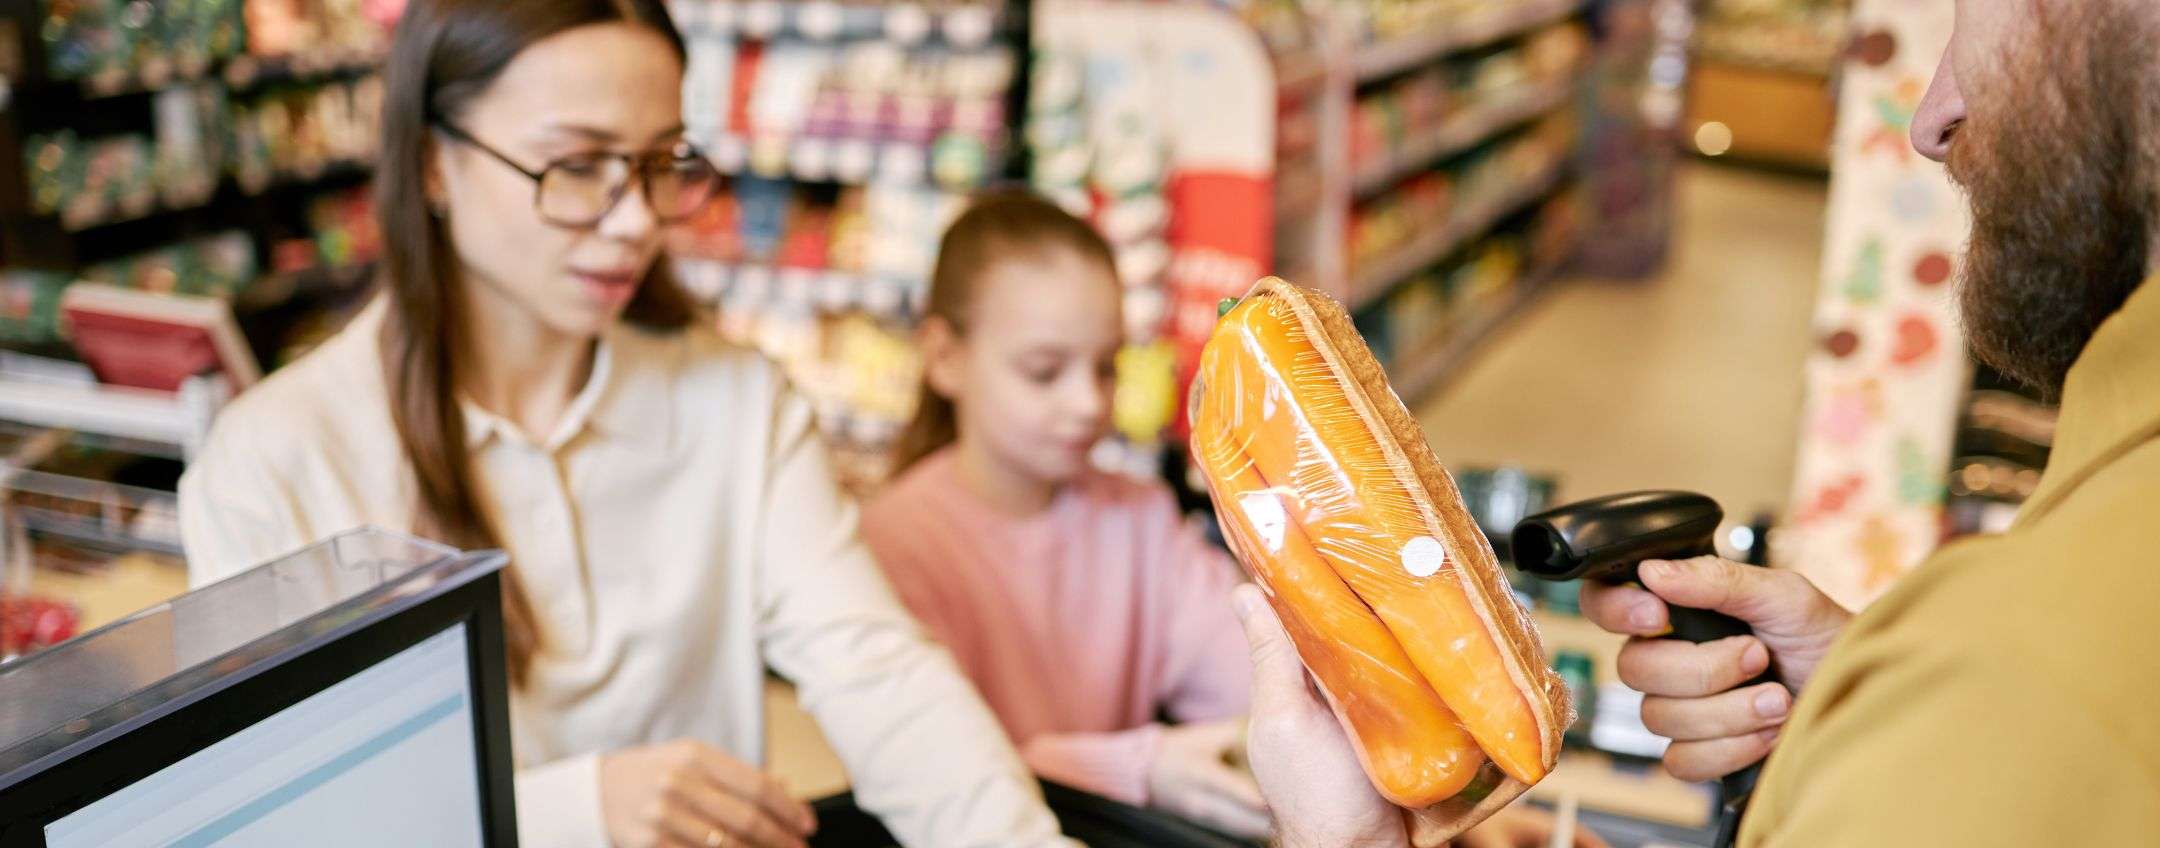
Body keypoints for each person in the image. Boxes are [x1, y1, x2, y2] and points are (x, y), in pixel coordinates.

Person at [1238, 0, 2160, 844]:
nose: (1930, 121)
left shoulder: (2031, 660)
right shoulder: (2070, 590)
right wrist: (1859, 699)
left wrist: (1346, 841)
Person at [176, 3, 1079, 848]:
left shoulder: (739, 403)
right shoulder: (274, 463)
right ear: (431, 163)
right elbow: (285, 826)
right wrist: (576, 810)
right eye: (576, 166)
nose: (637, 220)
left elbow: (881, 674)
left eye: (659, 163)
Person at [861, 191, 1602, 848]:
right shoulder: (890, 547)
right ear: (944, 356)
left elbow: (1250, 661)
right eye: (1043, 371)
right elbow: (922, 767)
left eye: (1106, 367)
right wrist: (1142, 766)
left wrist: (1460, 801)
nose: (1087, 403)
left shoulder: (1136, 515)